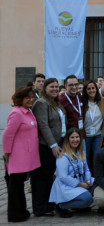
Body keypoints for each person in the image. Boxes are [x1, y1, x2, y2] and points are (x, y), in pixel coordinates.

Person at [3, 87, 40, 222]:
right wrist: (6, 153)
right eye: (27, 97)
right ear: (20, 99)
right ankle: (15, 214)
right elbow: (7, 135)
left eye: (32, 97)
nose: (31, 99)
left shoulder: (27, 112)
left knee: (18, 186)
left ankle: (21, 211)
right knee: (15, 186)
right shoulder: (17, 113)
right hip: (17, 155)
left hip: (26, 155)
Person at [31, 77, 64, 217]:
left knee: (49, 175)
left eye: (57, 86)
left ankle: (48, 205)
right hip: (46, 146)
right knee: (42, 177)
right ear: (44, 88)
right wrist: (53, 145)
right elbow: (43, 125)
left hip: (57, 143)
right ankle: (40, 208)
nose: (55, 89)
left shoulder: (55, 102)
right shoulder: (41, 103)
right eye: (52, 87)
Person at [49, 128, 94, 218]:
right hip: (66, 186)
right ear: (67, 140)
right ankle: (61, 205)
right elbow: (63, 177)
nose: (75, 140)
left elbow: (87, 170)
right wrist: (81, 184)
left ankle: (78, 206)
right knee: (87, 198)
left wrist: (88, 181)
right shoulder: (63, 156)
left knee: (96, 185)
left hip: (80, 183)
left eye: (77, 137)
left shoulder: (81, 153)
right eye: (72, 137)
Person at [81, 80, 104, 174]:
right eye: (89, 89)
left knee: (96, 156)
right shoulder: (82, 102)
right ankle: (86, 177)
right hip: (86, 135)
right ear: (85, 90)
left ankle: (96, 177)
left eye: (93, 88)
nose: (91, 90)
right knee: (86, 157)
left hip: (98, 135)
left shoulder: (103, 101)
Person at [59, 76, 84, 140]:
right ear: (65, 86)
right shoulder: (61, 99)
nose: (74, 87)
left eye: (76, 84)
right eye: (71, 85)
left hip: (81, 133)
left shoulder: (79, 95)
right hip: (69, 136)